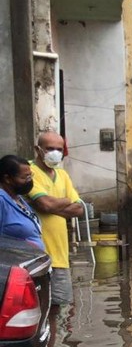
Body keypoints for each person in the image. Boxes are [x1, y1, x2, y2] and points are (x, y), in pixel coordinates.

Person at [29, 132, 84, 308]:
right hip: (36, 256)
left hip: (60, 256)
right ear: (38, 149)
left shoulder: (62, 175)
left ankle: (54, 338)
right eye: (50, 149)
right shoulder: (28, 172)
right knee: (35, 308)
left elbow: (79, 209)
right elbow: (44, 205)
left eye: (59, 149)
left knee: (56, 308)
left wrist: (55, 205)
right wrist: (66, 202)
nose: (55, 153)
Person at [0, 155, 43, 249]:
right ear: (7, 179)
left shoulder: (18, 198)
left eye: (30, 176)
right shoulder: (1, 200)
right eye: (25, 177)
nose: (30, 180)